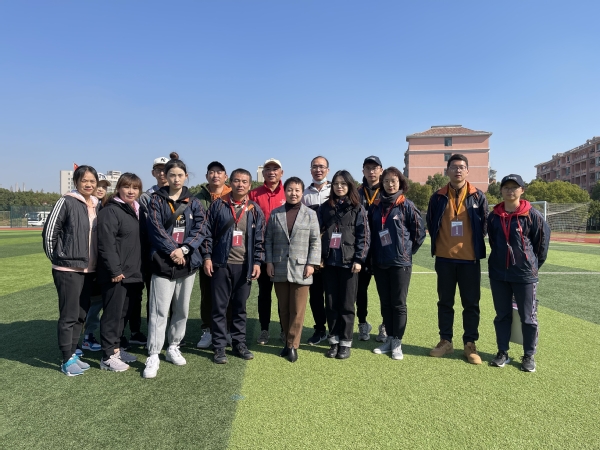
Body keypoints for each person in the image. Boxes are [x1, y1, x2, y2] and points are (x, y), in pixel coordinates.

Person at [143, 156, 206, 379]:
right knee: (159, 310)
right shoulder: (155, 200)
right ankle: (154, 353)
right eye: (172, 175)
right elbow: (155, 229)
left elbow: (200, 228)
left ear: (186, 176)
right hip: (163, 261)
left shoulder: (194, 202)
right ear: (165, 177)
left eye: (180, 175)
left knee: (182, 309)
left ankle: (174, 346)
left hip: (186, 263)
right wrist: (173, 250)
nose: (176, 179)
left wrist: (185, 250)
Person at [426, 154, 488, 365]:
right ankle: (446, 341)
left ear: (467, 171)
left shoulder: (478, 196)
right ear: (448, 171)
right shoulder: (437, 197)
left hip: (469, 260)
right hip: (444, 259)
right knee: (445, 302)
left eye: (462, 167)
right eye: (454, 167)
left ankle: (470, 344)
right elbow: (431, 222)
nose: (458, 170)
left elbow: (484, 224)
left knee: (471, 304)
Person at [487, 174, 550, 372]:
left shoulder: (532, 215)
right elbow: (493, 242)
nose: (510, 190)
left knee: (528, 317)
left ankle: (529, 355)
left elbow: (541, 245)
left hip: (524, 275)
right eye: (506, 187)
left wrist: (530, 264)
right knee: (502, 315)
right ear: (501, 191)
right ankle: (502, 352)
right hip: (499, 274)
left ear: (522, 190)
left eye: (514, 187)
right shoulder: (494, 216)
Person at [202, 169, 265, 364]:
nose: (240, 184)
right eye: (237, 181)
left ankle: (239, 343)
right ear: (231, 182)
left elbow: (259, 239)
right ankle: (219, 346)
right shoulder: (218, 205)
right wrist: (207, 257)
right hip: (221, 264)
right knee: (219, 307)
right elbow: (207, 233)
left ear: (250, 185)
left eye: (244, 181)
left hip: (244, 266)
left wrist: (257, 262)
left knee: (240, 307)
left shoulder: (254, 209)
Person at [42, 165, 99, 376]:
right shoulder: (65, 201)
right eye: (84, 180)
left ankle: (74, 353)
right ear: (76, 182)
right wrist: (59, 258)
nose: (89, 184)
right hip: (67, 268)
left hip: (89, 270)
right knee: (69, 314)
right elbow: (49, 233)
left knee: (81, 314)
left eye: (92, 181)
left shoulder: (96, 204)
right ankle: (66, 359)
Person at [369, 167, 425, 360]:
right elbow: (370, 232)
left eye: (393, 181)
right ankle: (389, 338)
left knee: (398, 304)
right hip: (380, 262)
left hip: (400, 262)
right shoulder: (376, 206)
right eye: (386, 181)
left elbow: (419, 233)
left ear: (400, 183)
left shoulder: (407, 205)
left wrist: (406, 252)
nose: (390, 184)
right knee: (385, 303)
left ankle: (397, 342)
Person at [266, 177, 321, 362]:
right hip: (279, 266)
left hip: (302, 268)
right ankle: (287, 342)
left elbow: (315, 241)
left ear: (302, 192)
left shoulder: (310, 214)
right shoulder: (276, 214)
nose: (293, 193)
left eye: (297, 190)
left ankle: (292, 345)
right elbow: (268, 240)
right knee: (283, 309)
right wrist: (269, 262)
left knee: (297, 310)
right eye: (290, 189)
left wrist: (311, 264)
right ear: (285, 191)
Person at [318, 170, 370, 360]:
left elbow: (364, 236)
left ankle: (345, 343)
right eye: (336, 184)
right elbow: (317, 234)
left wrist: (358, 259)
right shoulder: (325, 208)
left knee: (347, 305)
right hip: (329, 263)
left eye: (343, 184)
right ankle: (334, 340)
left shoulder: (358, 208)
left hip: (349, 264)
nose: (339, 187)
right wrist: (320, 257)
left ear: (350, 186)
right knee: (331, 304)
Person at [97, 173, 145, 372]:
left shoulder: (136, 210)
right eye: (127, 187)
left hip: (132, 273)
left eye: (135, 187)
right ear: (118, 188)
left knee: (123, 314)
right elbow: (105, 243)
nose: (131, 191)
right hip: (117, 274)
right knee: (112, 315)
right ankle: (107, 356)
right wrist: (115, 269)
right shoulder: (111, 211)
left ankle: (116, 349)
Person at [194, 161, 233, 349]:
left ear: (226, 176)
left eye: (219, 172)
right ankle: (208, 329)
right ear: (207, 176)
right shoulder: (198, 198)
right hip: (205, 252)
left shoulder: (234, 195)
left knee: (230, 294)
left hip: (230, 252)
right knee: (207, 293)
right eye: (212, 172)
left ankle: (227, 330)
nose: (215, 175)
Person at [249, 158, 286, 345]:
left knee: (283, 294)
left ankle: (284, 329)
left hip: (282, 252)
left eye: (275, 169)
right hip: (262, 251)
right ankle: (264, 329)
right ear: (263, 173)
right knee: (264, 293)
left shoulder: (289, 192)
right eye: (268, 169)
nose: (272, 172)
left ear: (281, 172)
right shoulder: (254, 194)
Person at [301, 156, 331, 345]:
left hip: (332, 252)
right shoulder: (304, 194)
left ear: (328, 169)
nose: (318, 170)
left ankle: (335, 330)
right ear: (310, 169)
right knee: (316, 295)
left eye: (321, 167)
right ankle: (320, 328)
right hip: (312, 252)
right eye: (314, 167)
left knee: (333, 295)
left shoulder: (336, 190)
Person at [81, 173, 112, 352]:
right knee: (89, 302)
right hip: (85, 263)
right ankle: (85, 337)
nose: (101, 189)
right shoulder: (84, 206)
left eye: (104, 186)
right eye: (98, 185)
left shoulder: (105, 206)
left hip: (101, 263)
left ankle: (89, 335)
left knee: (98, 301)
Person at [357, 156, 385, 342]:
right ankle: (362, 323)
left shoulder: (388, 190)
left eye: (375, 168)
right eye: (368, 168)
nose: (371, 171)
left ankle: (385, 325)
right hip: (362, 250)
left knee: (384, 292)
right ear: (363, 171)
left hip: (382, 250)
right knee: (360, 290)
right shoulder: (356, 192)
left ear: (381, 170)